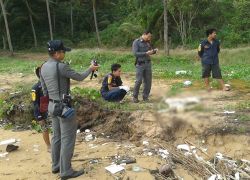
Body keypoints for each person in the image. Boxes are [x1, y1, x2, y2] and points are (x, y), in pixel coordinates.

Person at [40, 40, 98, 180]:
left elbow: (44, 90)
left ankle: (56, 166)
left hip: (52, 106)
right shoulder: (61, 66)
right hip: (64, 108)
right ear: (57, 53)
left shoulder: (43, 67)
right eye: (63, 51)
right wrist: (91, 69)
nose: (64, 54)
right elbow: (79, 77)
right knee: (67, 139)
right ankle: (66, 171)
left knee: (57, 137)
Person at [132, 30, 157, 103]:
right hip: (140, 64)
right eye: (148, 36)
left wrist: (154, 51)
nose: (149, 38)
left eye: (150, 37)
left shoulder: (148, 42)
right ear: (144, 34)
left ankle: (145, 97)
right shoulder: (136, 42)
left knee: (148, 81)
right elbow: (135, 53)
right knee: (138, 81)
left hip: (148, 64)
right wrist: (146, 53)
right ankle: (135, 97)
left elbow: (150, 51)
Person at [31, 67, 51, 152]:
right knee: (44, 128)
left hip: (52, 110)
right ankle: (48, 146)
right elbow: (35, 103)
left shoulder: (50, 85)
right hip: (42, 112)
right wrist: (39, 117)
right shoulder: (35, 88)